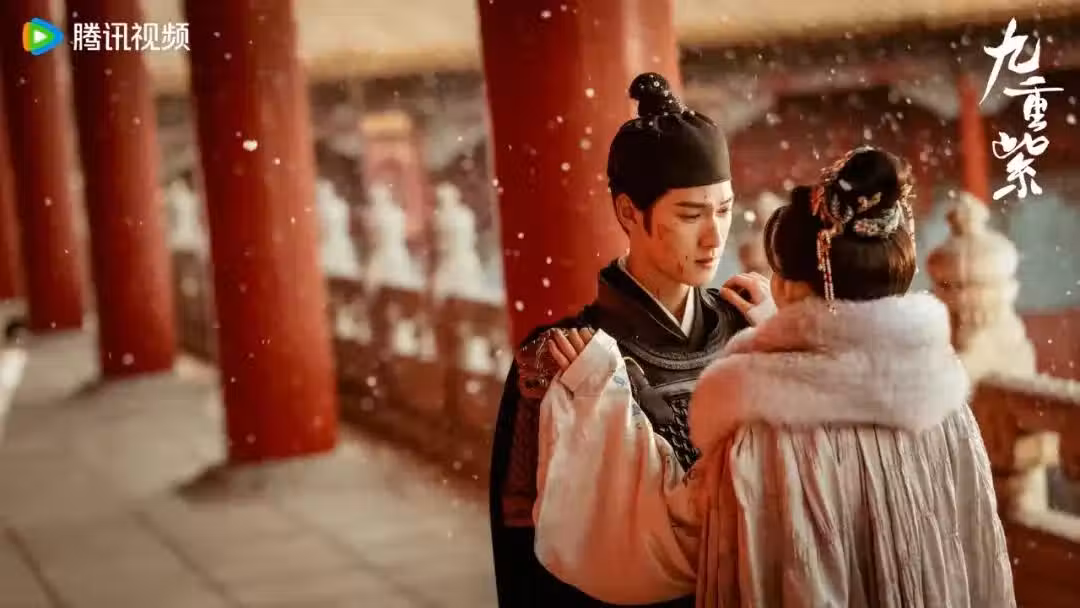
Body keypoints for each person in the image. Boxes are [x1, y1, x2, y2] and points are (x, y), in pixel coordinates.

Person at [532, 147, 1016, 607]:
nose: (712, 236)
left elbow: (670, 537)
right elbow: (981, 557)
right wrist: (784, 332)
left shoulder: (764, 435)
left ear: (786, 286)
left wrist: (600, 390)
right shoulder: (945, 403)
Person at [488, 72, 775, 608]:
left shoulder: (747, 326)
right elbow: (526, 537)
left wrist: (783, 343)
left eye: (724, 209)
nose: (715, 236)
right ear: (628, 212)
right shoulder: (561, 358)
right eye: (690, 214)